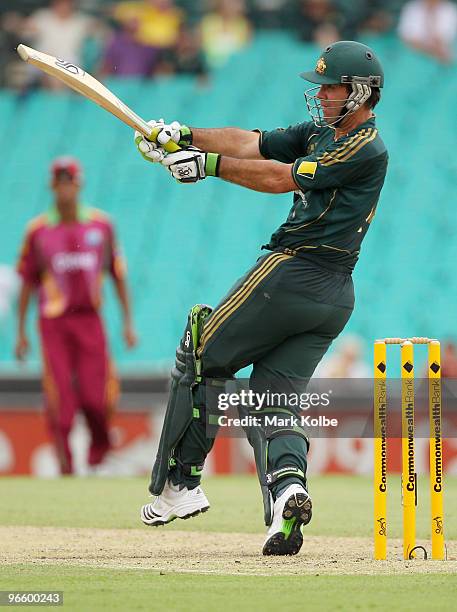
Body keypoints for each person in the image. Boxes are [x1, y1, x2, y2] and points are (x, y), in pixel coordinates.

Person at [135, 41, 388, 555]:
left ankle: (179, 483)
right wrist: (183, 133)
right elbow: (253, 143)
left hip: (294, 272)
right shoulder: (321, 132)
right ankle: (288, 495)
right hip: (335, 297)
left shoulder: (363, 147)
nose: (319, 94)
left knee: (200, 352)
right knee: (271, 401)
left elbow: (277, 177)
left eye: (330, 87)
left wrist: (207, 166)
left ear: (358, 92)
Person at [15, 157, 137, 474]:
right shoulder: (38, 231)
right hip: (54, 324)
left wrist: (127, 323)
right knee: (62, 404)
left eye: (70, 181)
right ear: (52, 186)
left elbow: (118, 275)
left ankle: (98, 452)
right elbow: (27, 283)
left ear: (79, 184)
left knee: (96, 399)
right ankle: (66, 466)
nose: (65, 188)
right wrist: (20, 333)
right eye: (60, 182)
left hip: (90, 320)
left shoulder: (101, 225)